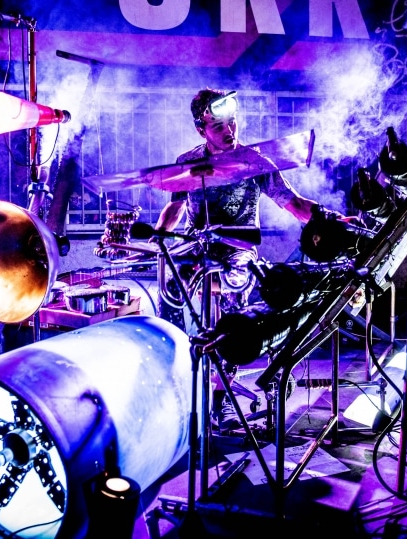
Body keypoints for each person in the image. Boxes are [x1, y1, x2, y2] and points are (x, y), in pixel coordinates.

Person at [151, 88, 335, 430]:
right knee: (169, 287)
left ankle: (220, 400)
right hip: (199, 245)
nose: (229, 131)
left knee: (232, 318)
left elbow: (293, 203)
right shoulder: (188, 162)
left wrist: (330, 220)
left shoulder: (255, 161)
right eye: (218, 126)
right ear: (201, 130)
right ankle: (170, 368)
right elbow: (174, 207)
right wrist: (160, 235)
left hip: (238, 249)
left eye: (232, 122)